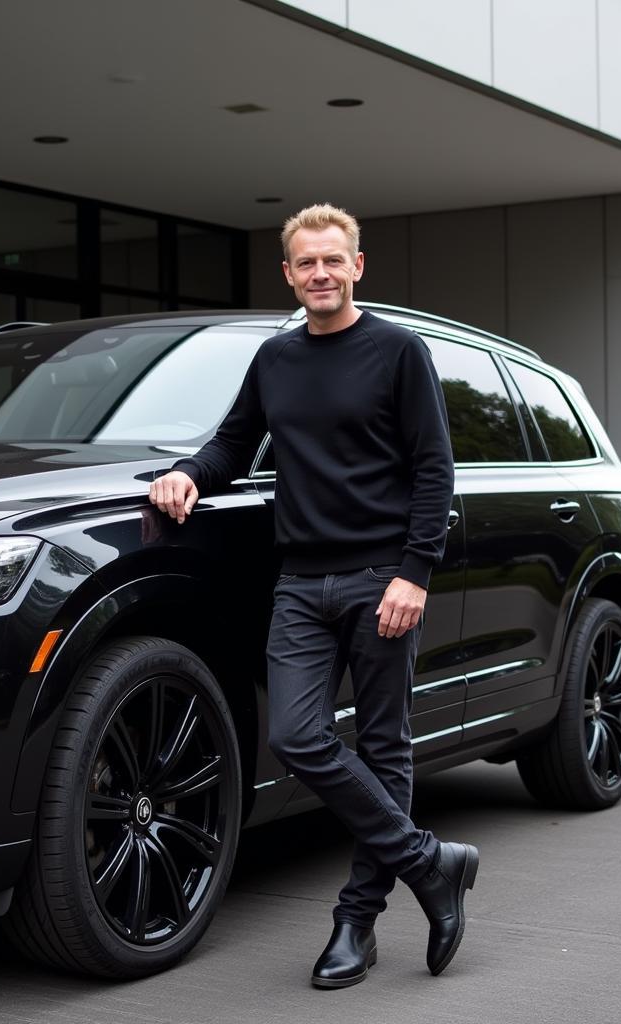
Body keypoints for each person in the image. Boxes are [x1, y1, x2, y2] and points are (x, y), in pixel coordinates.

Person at [148, 203, 478, 987]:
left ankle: (356, 922)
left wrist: (414, 572)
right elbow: (236, 441)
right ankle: (430, 864)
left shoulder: (398, 351)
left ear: (357, 267)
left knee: (384, 747)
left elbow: (435, 468)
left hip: (379, 581)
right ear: (289, 274)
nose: (321, 274)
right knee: (296, 737)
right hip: (300, 583)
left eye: (334, 261)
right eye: (307, 263)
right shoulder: (276, 359)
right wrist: (189, 474)